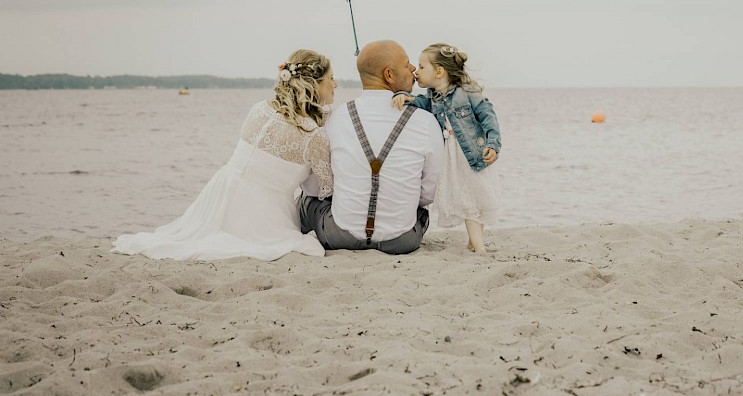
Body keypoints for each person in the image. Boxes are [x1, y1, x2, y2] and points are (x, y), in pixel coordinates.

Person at [113, 49, 336, 261]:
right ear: (314, 84)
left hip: (219, 196)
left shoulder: (259, 109)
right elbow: (325, 189)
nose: (336, 84)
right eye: (331, 78)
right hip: (263, 214)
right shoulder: (312, 134)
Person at [298, 40, 443, 254]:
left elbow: (318, 184)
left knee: (306, 198)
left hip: (339, 236)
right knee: (420, 210)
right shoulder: (426, 121)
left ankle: (289, 232)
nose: (413, 68)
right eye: (406, 64)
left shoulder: (336, 117)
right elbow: (429, 193)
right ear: (389, 75)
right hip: (402, 240)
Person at [393, 43, 501, 253]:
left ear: (439, 71)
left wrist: (493, 144)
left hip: (470, 154)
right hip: (451, 157)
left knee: (474, 197)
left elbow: (488, 115)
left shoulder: (466, 92)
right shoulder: (432, 97)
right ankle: (473, 241)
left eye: (423, 67)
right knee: (467, 196)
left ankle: (479, 247)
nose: (417, 71)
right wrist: (404, 97)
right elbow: (420, 102)